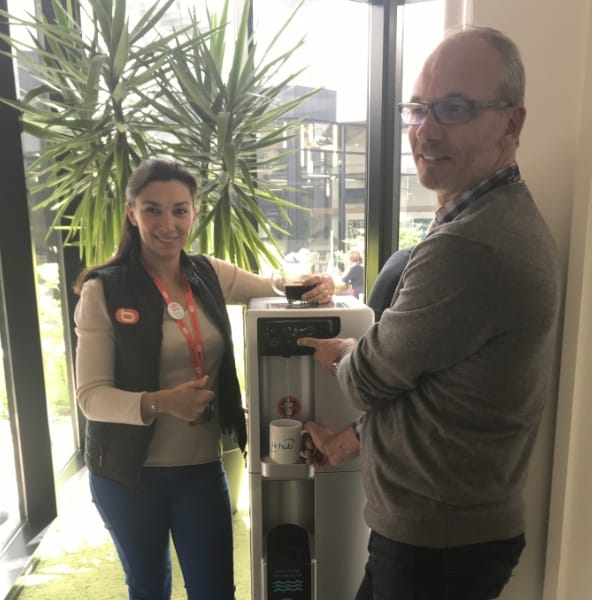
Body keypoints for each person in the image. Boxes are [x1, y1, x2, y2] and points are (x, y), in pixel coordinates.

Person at [298, 26, 561, 600]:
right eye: (418, 108)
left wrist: (346, 354)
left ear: (511, 124)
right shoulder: (498, 216)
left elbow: (368, 380)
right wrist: (349, 438)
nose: (426, 129)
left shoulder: (468, 246)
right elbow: (438, 392)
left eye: (455, 108)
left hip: (436, 547)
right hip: (443, 536)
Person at [73, 158, 335, 600]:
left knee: (215, 590)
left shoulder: (207, 273)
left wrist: (319, 285)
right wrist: (161, 401)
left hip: (200, 468)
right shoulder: (104, 289)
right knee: (149, 588)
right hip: (127, 472)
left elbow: (275, 288)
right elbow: (90, 397)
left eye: (180, 210)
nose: (168, 224)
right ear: (131, 213)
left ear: (193, 213)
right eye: (152, 210)